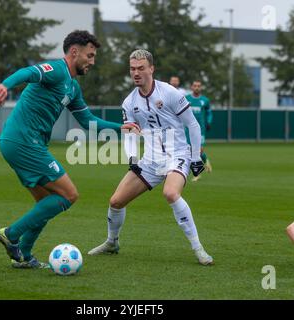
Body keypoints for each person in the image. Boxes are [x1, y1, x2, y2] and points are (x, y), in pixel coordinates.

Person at [0, 30, 138, 269]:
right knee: (69, 195)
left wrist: (122, 128)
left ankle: (24, 256)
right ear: (74, 52)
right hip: (24, 141)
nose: (92, 61)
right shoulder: (57, 70)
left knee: (47, 203)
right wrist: (5, 85)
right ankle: (11, 234)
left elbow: (90, 122)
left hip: (21, 142)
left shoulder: (73, 87)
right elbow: (28, 72)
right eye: (89, 56)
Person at [88, 49, 214, 265]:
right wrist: (133, 159)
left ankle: (198, 248)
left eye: (141, 68)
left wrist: (195, 158)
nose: (136, 73)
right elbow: (129, 132)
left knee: (171, 193)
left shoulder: (170, 93)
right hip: (151, 160)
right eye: (132, 69)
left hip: (177, 155)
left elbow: (192, 124)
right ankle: (112, 242)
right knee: (116, 201)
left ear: (151, 69)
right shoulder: (129, 102)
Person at [185, 80, 213, 182]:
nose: (197, 87)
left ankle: (198, 173)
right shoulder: (186, 99)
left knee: (198, 150)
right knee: (191, 150)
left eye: (198, 86)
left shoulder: (205, 100)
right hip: (188, 129)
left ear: (201, 88)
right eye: (195, 85)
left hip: (200, 129)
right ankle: (205, 162)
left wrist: (209, 122)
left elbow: (209, 112)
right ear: (192, 87)